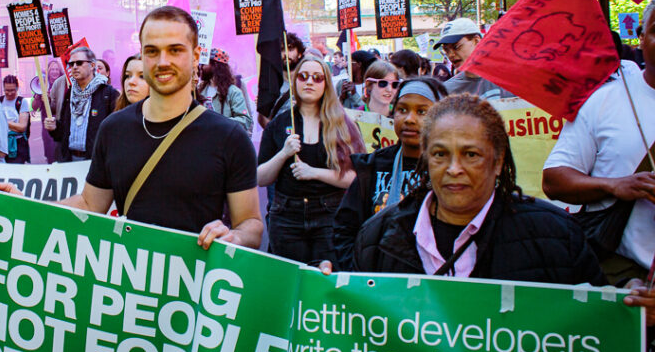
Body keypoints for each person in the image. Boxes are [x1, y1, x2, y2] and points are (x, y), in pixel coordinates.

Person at [0, 5, 263, 249]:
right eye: (152, 51)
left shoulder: (228, 137)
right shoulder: (114, 129)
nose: (163, 61)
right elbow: (89, 204)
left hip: (196, 283)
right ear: (142, 56)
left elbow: (250, 225)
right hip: (129, 282)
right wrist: (25, 206)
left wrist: (234, 237)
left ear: (195, 56)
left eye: (175, 50)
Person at [351, 94, 605, 285]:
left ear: (498, 161)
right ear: (426, 159)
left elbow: (596, 322)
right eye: (440, 154)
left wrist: (624, 305)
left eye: (470, 154)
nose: (454, 169)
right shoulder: (377, 236)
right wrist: (331, 290)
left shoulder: (556, 236)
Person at [543, 0, 655, 285]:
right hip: (626, 276)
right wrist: (614, 185)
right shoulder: (604, 101)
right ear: (641, 37)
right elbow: (554, 180)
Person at [258, 55, 365, 264]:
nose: (309, 82)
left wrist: (314, 173)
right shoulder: (278, 124)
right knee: (290, 278)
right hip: (286, 216)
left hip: (330, 215)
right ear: (295, 81)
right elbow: (261, 178)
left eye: (317, 78)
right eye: (303, 76)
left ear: (326, 84)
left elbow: (355, 177)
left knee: (326, 278)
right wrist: (283, 153)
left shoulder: (343, 124)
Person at [333, 77, 448, 270]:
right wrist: (357, 271)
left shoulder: (449, 169)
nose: (409, 119)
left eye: (422, 112)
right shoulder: (373, 166)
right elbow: (345, 228)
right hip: (378, 280)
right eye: (402, 110)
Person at [44, 46, 118, 161]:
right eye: (71, 64)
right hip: (70, 160)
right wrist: (54, 127)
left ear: (92, 65)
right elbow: (62, 133)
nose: (74, 67)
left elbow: (116, 133)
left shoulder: (108, 94)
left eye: (79, 63)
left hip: (96, 162)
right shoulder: (70, 93)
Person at [434, 17, 514, 100]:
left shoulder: (511, 79)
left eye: (456, 47)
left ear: (476, 41)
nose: (451, 55)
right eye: (446, 50)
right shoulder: (447, 91)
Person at [197, 48, 253, 135]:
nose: (201, 67)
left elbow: (244, 120)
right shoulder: (199, 90)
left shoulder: (233, 92)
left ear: (215, 65)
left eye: (205, 63)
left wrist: (218, 123)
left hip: (225, 141)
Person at [258, 31, 307, 127]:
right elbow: (262, 117)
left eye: (290, 49)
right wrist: (274, 133)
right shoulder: (270, 84)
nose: (286, 54)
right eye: (282, 50)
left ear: (300, 54)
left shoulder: (308, 81)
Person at [36, 59, 65, 163]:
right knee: (49, 150)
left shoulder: (64, 84)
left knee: (60, 149)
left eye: (57, 69)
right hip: (47, 123)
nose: (54, 72)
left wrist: (50, 100)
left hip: (60, 121)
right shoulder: (42, 84)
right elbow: (35, 107)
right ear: (48, 71)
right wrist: (38, 97)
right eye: (52, 69)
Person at [0, 75, 31, 164]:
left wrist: (3, 121)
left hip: (18, 144)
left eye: (12, 90)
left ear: (17, 88)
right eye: (7, 90)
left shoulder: (22, 102)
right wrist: (13, 125)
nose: (9, 93)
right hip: (2, 143)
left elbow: (22, 127)